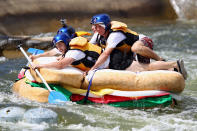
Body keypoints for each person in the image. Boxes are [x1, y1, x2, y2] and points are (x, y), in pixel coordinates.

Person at [87, 13, 187, 79]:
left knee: (137, 49)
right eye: (94, 26)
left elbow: (105, 54)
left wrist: (92, 69)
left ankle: (164, 60)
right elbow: (89, 47)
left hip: (143, 42)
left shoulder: (115, 34)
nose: (94, 28)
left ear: (106, 26)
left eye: (98, 26)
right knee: (147, 70)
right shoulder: (98, 35)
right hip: (130, 53)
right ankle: (173, 71)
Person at [32, 33, 109, 71]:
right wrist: (36, 57)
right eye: (57, 45)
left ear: (66, 43)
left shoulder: (74, 51)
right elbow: (50, 53)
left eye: (60, 45)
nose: (59, 48)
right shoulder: (65, 47)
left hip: (108, 65)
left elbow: (60, 65)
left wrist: (41, 66)